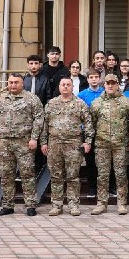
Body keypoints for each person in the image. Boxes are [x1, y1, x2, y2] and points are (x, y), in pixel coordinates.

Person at [0, 72, 43, 217]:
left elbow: (38, 119)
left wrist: (34, 138)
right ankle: (7, 205)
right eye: (10, 82)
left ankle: (30, 205)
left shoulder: (32, 99)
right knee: (6, 175)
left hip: (24, 142)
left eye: (16, 82)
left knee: (27, 174)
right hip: (4, 142)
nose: (13, 85)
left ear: (22, 83)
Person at [41, 77, 91, 216]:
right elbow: (44, 125)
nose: (65, 87)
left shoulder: (79, 104)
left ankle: (73, 205)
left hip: (73, 144)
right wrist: (43, 142)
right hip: (54, 144)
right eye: (63, 84)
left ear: (72, 86)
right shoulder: (51, 104)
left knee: (73, 176)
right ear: (59, 86)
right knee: (56, 176)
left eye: (68, 85)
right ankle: (57, 205)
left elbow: (88, 124)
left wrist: (87, 142)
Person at [88, 74, 129, 215]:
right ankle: (101, 203)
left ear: (118, 84)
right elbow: (92, 123)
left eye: (113, 83)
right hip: (102, 144)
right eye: (108, 83)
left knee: (120, 174)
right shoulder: (96, 103)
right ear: (104, 85)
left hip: (121, 144)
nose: (110, 85)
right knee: (102, 175)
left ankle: (121, 203)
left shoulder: (127, 102)